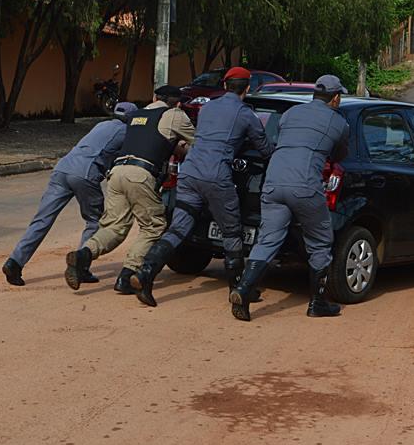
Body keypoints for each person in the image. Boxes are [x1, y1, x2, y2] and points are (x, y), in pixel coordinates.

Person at [130, 66, 275, 307]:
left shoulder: (207, 107)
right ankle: (239, 289)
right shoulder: (245, 114)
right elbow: (265, 149)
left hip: (190, 173)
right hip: (216, 176)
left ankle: (145, 273)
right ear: (247, 88)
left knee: (178, 229)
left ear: (225, 86)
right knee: (231, 232)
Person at [229, 74, 350, 321]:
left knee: (268, 240)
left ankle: (243, 288)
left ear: (315, 94)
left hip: (273, 181)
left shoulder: (290, 114)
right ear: (336, 98)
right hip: (304, 184)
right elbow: (339, 155)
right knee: (320, 240)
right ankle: (317, 302)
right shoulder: (338, 122)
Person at [64, 85, 195, 294]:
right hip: (141, 174)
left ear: (154, 97)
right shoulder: (174, 114)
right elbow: (199, 142)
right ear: (177, 103)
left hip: (117, 172)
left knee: (114, 227)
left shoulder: (137, 115)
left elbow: (152, 138)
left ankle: (83, 255)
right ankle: (127, 276)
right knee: (154, 226)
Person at [2, 100, 137, 287]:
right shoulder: (127, 132)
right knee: (94, 221)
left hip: (62, 169)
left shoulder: (101, 125)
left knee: (42, 220)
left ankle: (15, 262)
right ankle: (81, 266)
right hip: (85, 173)